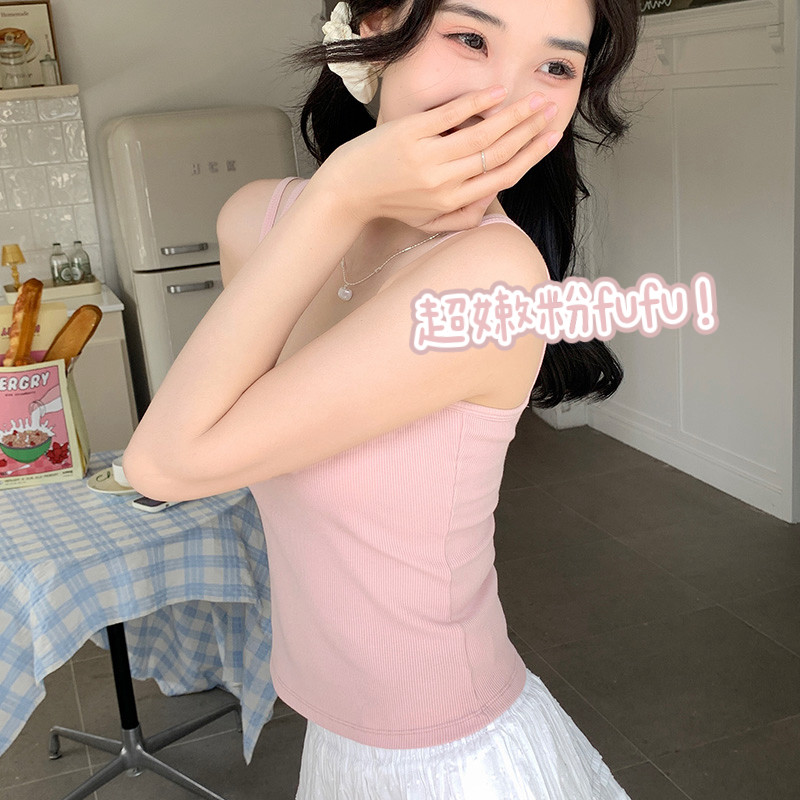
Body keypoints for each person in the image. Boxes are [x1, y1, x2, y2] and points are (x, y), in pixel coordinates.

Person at [123, 0, 643, 796]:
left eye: (555, 66)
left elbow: (165, 464)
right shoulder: (260, 221)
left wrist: (339, 193)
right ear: (371, 33)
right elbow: (214, 431)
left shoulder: (492, 277)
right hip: (343, 733)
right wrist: (337, 200)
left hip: (450, 759)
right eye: (469, 38)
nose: (506, 99)